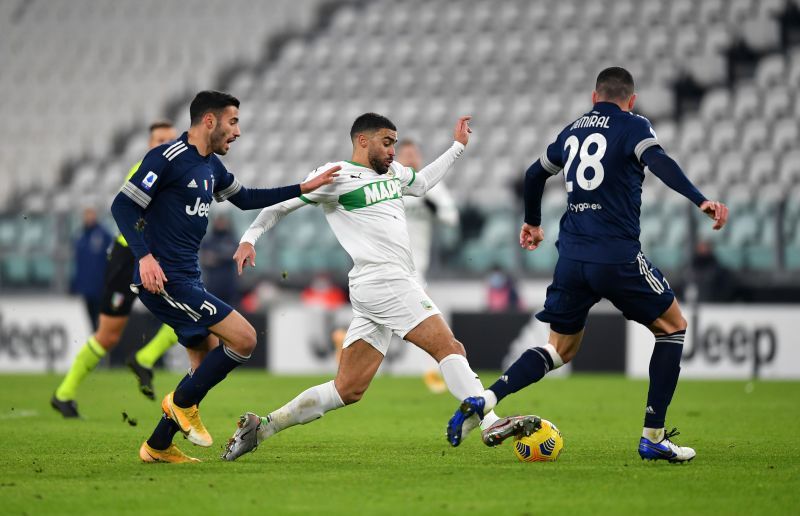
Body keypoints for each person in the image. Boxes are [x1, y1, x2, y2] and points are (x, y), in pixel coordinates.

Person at [446, 67, 729, 463]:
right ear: (631, 99)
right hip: (616, 256)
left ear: (594, 97)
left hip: (572, 258)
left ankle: (487, 398)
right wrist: (700, 199)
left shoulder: (573, 129)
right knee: (673, 328)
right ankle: (654, 436)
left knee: (559, 349)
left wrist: (531, 222)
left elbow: (533, 174)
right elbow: (659, 161)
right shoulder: (634, 125)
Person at [222, 113, 501, 461]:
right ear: (363, 141)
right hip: (385, 279)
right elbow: (281, 206)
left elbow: (423, 183)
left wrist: (457, 147)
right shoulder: (336, 176)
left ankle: (262, 427)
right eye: (387, 143)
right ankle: (490, 421)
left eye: (395, 143)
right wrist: (250, 238)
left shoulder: (394, 174)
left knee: (348, 389)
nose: (393, 151)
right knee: (449, 346)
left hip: (379, 287)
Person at [111, 90, 339, 463]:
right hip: (165, 279)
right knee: (245, 338)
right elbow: (122, 204)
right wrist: (145, 257)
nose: (237, 131)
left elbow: (246, 197)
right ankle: (179, 402)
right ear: (209, 121)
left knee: (205, 366)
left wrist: (302, 189)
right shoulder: (166, 157)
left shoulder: (211, 167)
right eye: (233, 122)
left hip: (188, 276)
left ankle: (157, 445)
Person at [51, 121, 181, 418]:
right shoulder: (143, 171)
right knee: (108, 336)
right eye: (160, 140)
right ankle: (64, 394)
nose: (165, 145)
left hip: (157, 256)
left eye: (171, 141)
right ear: (149, 143)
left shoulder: (177, 173)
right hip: (129, 257)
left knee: (190, 311)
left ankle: (145, 359)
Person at [395, 139, 460, 393]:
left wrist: (432, 206)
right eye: (407, 154)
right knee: (426, 316)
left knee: (419, 317)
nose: (412, 158)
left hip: (415, 267)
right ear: (398, 157)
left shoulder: (430, 186)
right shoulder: (391, 185)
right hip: (395, 262)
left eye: (415, 154)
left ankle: (342, 337)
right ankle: (434, 370)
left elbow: (452, 218)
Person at [70, 207, 113, 331]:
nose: (89, 217)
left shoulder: (104, 235)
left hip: (101, 287)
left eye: (91, 214)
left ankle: (104, 347)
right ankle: (97, 345)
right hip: (86, 288)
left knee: (102, 321)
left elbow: (111, 259)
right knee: (91, 321)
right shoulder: (79, 236)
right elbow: (78, 263)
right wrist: (74, 283)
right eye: (86, 214)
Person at [199, 214, 241, 306]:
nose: (221, 224)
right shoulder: (208, 240)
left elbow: (235, 256)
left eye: (223, 222)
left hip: (230, 284)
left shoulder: (232, 239)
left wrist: (216, 257)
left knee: (231, 310)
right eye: (219, 221)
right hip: (212, 283)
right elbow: (203, 259)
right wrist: (223, 256)